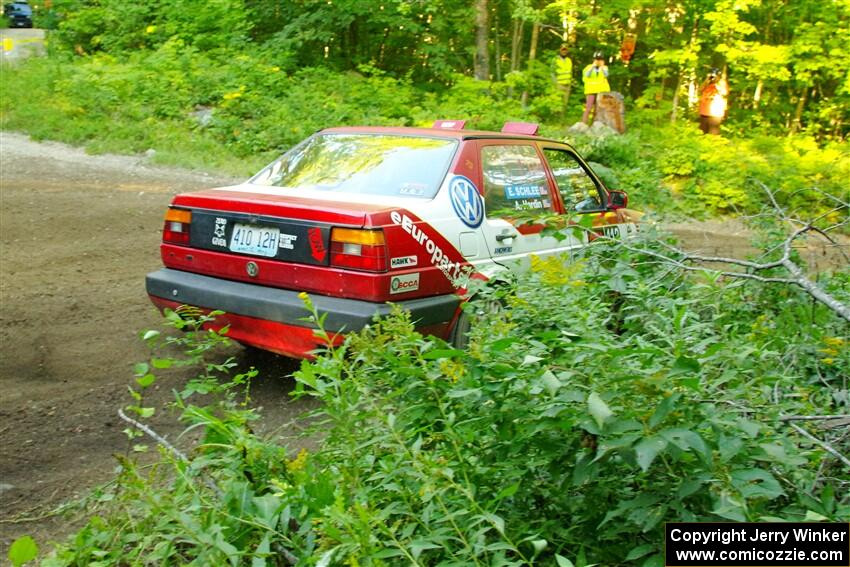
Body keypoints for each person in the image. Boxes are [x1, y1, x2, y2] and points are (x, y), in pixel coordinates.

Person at [582, 51, 611, 125]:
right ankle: (584, 123)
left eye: (600, 59)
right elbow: (587, 75)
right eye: (597, 59)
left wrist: (601, 67)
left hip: (601, 91)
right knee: (588, 107)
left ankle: (595, 124)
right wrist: (592, 66)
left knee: (598, 109)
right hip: (591, 90)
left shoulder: (604, 67)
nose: (598, 61)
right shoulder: (588, 67)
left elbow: (606, 75)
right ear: (594, 60)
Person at [699, 68, 729, 135]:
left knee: (713, 133)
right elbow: (700, 90)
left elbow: (724, 93)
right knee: (702, 132)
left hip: (715, 112)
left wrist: (717, 83)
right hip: (704, 112)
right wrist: (707, 80)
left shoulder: (722, 83)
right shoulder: (707, 83)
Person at [553, 45, 573, 120]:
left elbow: (571, 72)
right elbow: (552, 72)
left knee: (565, 103)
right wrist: (555, 83)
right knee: (557, 101)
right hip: (559, 84)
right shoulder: (556, 60)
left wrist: (570, 82)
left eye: (565, 50)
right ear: (560, 50)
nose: (564, 51)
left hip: (567, 84)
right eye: (562, 50)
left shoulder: (569, 60)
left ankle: (562, 119)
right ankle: (555, 119)